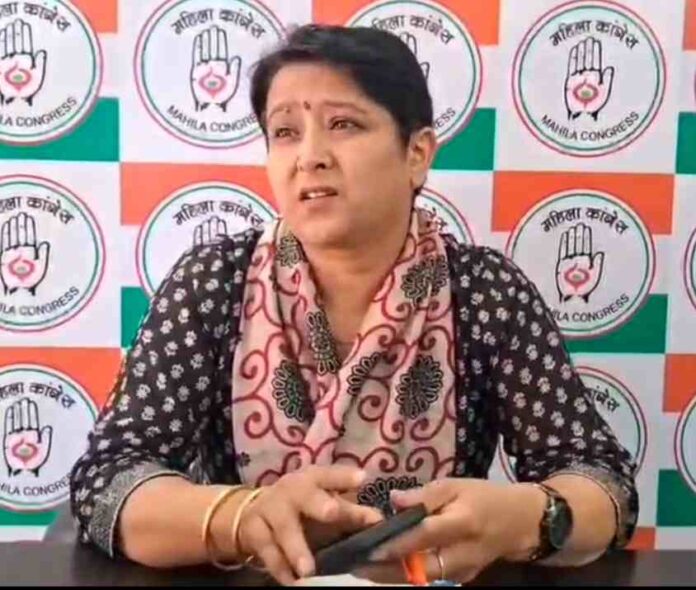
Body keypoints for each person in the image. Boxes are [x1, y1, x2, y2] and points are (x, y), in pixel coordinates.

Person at [69, 24, 638, 586]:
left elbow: (601, 481)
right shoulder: (216, 282)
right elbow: (109, 480)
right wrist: (243, 518)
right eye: (285, 132)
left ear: (417, 153)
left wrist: (532, 519)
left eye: (343, 124)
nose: (309, 156)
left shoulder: (483, 291)